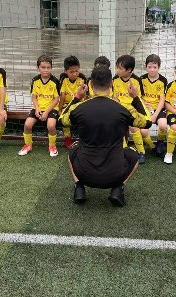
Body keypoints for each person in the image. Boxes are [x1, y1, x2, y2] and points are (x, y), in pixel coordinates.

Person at [59, 66, 152, 206]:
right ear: (111, 84)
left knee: (72, 150)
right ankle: (117, 188)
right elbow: (148, 122)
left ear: (90, 85)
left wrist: (77, 97)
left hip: (85, 173)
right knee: (134, 155)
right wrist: (136, 97)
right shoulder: (123, 108)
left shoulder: (79, 108)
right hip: (114, 174)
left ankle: (79, 187)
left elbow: (61, 121)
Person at [18, 55, 60, 157]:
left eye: (48, 67)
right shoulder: (35, 80)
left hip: (51, 108)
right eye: (43, 67)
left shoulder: (55, 81)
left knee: (50, 125)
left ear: (51, 68)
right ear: (38, 68)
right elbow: (34, 97)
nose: (46, 70)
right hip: (38, 108)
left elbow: (56, 99)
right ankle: (28, 145)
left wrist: (46, 112)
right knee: (27, 124)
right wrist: (37, 109)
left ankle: (52, 146)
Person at [112, 55, 147, 163]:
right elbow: (113, 96)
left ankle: (141, 152)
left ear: (129, 70)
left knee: (134, 128)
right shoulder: (114, 80)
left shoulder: (136, 80)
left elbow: (138, 98)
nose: (117, 70)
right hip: (119, 108)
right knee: (117, 125)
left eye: (120, 68)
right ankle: (123, 150)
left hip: (132, 109)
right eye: (117, 67)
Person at [139, 54, 168, 157]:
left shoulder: (163, 80)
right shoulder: (141, 79)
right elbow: (138, 96)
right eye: (149, 67)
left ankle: (160, 143)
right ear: (145, 67)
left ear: (159, 67)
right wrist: (143, 102)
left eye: (155, 67)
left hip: (158, 109)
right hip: (145, 108)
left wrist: (155, 114)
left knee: (163, 125)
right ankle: (152, 147)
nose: (152, 70)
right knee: (143, 130)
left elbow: (162, 100)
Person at [58, 55, 87, 149]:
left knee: (84, 119)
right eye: (71, 72)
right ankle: (67, 138)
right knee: (64, 118)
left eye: (76, 71)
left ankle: (83, 138)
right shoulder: (64, 80)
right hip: (67, 105)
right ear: (65, 71)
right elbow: (62, 96)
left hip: (80, 104)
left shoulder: (82, 79)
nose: (74, 74)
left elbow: (86, 96)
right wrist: (59, 109)